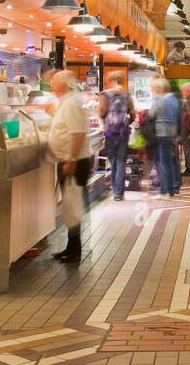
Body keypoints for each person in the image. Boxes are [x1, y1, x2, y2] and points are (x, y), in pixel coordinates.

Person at [48, 69, 93, 263]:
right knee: (69, 206)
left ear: (61, 85)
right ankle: (70, 247)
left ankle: (75, 251)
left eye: (53, 82)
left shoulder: (71, 104)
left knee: (72, 206)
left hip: (74, 162)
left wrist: (71, 160)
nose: (51, 84)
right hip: (69, 160)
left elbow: (77, 134)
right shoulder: (66, 103)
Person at [98, 72, 135, 201]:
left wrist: (105, 124)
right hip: (123, 133)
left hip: (110, 133)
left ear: (111, 80)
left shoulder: (105, 95)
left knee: (113, 162)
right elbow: (133, 114)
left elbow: (101, 112)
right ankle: (118, 193)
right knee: (121, 162)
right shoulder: (127, 95)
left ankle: (115, 190)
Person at [154, 78, 182, 197]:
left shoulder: (165, 101)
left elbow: (168, 119)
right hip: (171, 135)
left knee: (165, 163)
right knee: (170, 162)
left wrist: (172, 136)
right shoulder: (174, 100)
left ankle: (166, 189)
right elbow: (177, 119)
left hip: (164, 135)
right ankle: (171, 188)